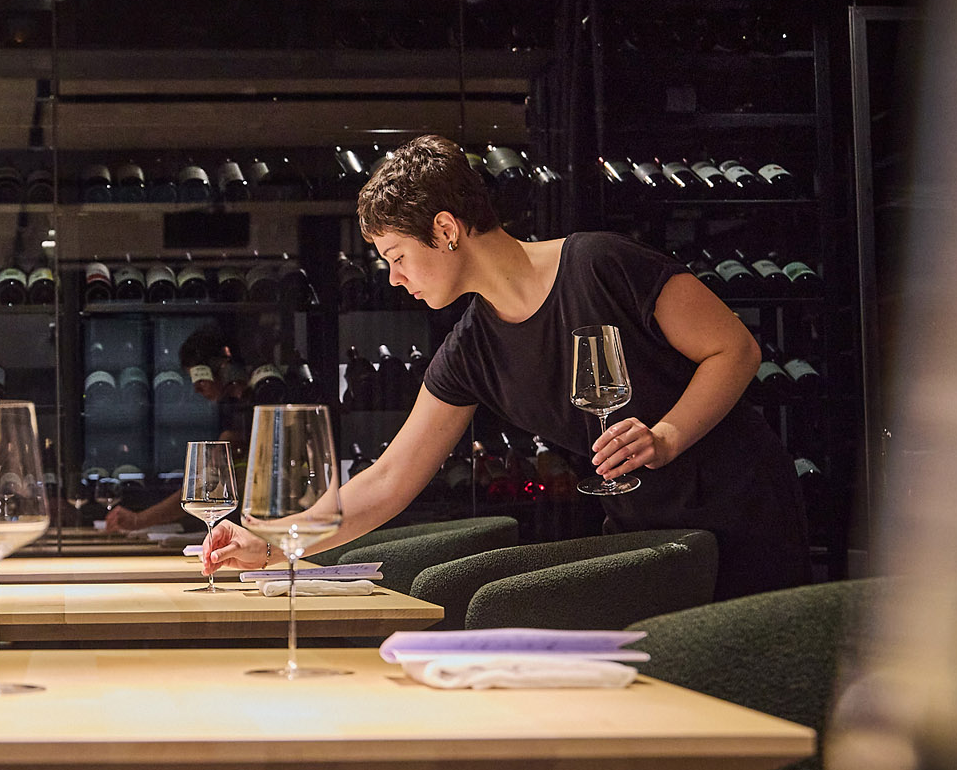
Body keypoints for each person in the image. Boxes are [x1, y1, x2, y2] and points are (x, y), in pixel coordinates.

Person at [201, 134, 811, 602]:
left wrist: (667, 435)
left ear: (444, 231)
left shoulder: (600, 265)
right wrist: (270, 537)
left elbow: (735, 349)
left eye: (397, 256)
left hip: (744, 511)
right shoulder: (471, 349)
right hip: (647, 538)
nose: (394, 277)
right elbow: (388, 480)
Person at [102, 326, 253, 534]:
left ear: (224, 366)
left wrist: (139, 520)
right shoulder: (235, 414)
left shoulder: (250, 412)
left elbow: (201, 490)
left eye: (200, 378)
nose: (196, 388)